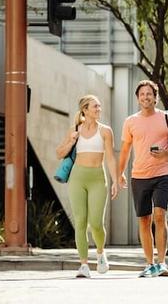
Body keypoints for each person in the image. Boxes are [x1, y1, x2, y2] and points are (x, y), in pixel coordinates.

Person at [118, 79, 168, 278]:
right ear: (138, 98)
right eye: (142, 94)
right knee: (144, 220)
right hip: (139, 176)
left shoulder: (167, 119)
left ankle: (162, 262)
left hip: (162, 174)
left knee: (160, 215)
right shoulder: (130, 121)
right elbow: (125, 150)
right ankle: (149, 264)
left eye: (149, 94)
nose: (145, 97)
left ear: (155, 98)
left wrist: (166, 153)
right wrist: (119, 172)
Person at [55, 94, 119, 278]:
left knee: (96, 222)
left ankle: (100, 253)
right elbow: (59, 153)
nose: (99, 109)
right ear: (85, 109)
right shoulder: (75, 129)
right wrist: (71, 141)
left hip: (98, 178)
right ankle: (83, 265)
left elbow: (110, 158)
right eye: (95, 106)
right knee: (81, 221)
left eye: (99, 106)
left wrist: (115, 180)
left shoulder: (105, 131)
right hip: (77, 178)